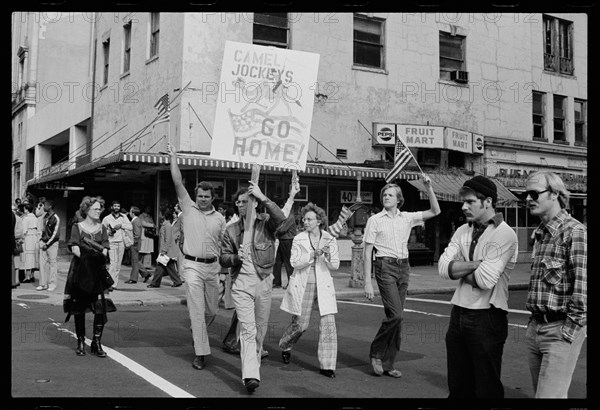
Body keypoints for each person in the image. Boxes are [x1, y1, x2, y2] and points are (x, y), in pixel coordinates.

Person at [437, 175, 518, 398]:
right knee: (458, 387)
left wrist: (459, 268)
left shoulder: (504, 234)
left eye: (470, 202)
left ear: (488, 201)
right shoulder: (462, 230)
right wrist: (476, 264)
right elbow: (443, 268)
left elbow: (485, 280)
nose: (464, 207)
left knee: (486, 388)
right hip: (459, 312)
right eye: (463, 202)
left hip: (488, 316)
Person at [363, 174, 440, 378]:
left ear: (399, 199)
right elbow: (367, 251)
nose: (387, 197)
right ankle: (376, 353)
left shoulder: (407, 217)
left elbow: (435, 210)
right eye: (384, 194)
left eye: (391, 195)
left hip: (403, 267)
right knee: (396, 315)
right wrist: (367, 282)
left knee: (395, 317)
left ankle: (388, 363)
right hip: (384, 266)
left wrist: (428, 187)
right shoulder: (374, 220)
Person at [523, 171, 586, 398]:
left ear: (555, 195)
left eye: (534, 193)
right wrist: (533, 328)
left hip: (559, 331)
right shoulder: (540, 234)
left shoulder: (574, 231)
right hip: (535, 329)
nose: (528, 199)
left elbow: (583, 290)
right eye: (525, 194)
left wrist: (567, 334)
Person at [219, 182, 286, 393]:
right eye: (237, 202)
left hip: (264, 280)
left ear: (254, 204)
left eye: (245, 201)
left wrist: (263, 197)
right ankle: (250, 376)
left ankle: (253, 364)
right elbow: (223, 257)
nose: (240, 205)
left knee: (259, 331)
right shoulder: (230, 230)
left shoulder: (266, 223)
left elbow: (283, 221)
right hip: (241, 284)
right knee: (248, 329)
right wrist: (236, 257)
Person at [168, 143, 226, 371]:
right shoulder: (188, 207)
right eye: (200, 196)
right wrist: (173, 156)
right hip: (191, 266)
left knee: (212, 310)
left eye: (206, 196)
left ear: (212, 198)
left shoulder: (220, 219)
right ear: (195, 196)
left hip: (212, 268)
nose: (202, 199)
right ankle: (201, 353)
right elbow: (177, 181)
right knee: (197, 310)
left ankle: (198, 326)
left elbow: (225, 244)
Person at [279, 202, 340, 378]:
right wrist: (313, 254)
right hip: (304, 285)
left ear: (319, 221)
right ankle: (285, 344)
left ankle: (327, 365)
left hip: (324, 287)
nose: (305, 222)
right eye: (304, 219)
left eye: (309, 219)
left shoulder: (330, 238)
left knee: (328, 325)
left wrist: (327, 255)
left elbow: (335, 265)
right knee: (301, 325)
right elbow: (294, 262)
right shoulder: (299, 238)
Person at [63, 196, 115, 357]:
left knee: (100, 308)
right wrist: (89, 257)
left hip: (98, 271)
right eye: (96, 209)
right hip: (81, 270)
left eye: (100, 209)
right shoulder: (77, 227)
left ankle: (96, 342)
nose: (99, 211)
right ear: (87, 210)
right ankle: (80, 341)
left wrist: (97, 256)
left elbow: (106, 248)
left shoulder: (102, 228)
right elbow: (74, 247)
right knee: (79, 308)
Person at [147, 206, 183, 288]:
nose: (159, 215)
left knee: (160, 267)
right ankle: (177, 281)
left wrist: (164, 250)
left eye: (160, 214)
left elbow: (168, 239)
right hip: (167, 251)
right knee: (170, 266)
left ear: (163, 216)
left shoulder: (167, 225)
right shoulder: (165, 225)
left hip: (167, 251)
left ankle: (155, 283)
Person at [102, 200, 132, 290]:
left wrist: (121, 225)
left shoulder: (123, 217)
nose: (116, 208)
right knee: (113, 264)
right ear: (112, 207)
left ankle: (114, 284)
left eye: (118, 206)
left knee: (118, 265)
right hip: (112, 242)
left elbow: (130, 227)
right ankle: (109, 284)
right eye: (115, 206)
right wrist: (109, 232)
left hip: (121, 243)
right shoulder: (107, 218)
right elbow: (102, 231)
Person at [273, 196, 297, 289]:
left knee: (288, 262)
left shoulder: (289, 217)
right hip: (283, 240)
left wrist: (275, 230)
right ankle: (277, 282)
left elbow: (282, 229)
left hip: (288, 240)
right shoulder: (285, 216)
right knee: (277, 262)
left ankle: (291, 283)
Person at [37, 199, 60, 292]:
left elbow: (56, 234)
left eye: (45, 205)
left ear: (50, 206)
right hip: (44, 242)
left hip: (52, 244)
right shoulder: (45, 217)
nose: (43, 207)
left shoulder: (56, 218)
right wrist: (41, 241)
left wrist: (47, 244)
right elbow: (43, 230)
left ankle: (52, 284)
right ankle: (43, 284)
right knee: (42, 264)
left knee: (52, 264)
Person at [125, 206, 152, 284]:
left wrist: (132, 243)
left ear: (133, 213)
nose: (129, 213)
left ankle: (133, 279)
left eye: (130, 211)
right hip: (135, 243)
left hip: (134, 244)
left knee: (134, 262)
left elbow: (136, 234)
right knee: (136, 261)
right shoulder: (136, 220)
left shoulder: (136, 221)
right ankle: (146, 274)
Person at [20, 203, 39, 284]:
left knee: (27, 257)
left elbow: (24, 231)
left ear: (26, 209)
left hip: (28, 238)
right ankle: (32, 275)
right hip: (35, 238)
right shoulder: (36, 218)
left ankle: (27, 276)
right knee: (34, 257)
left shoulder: (26, 219)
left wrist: (21, 239)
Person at [139, 206, 156, 277]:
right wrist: (152, 225)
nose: (149, 209)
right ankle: (142, 264)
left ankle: (147, 264)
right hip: (144, 234)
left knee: (148, 251)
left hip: (149, 235)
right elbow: (143, 223)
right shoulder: (141, 216)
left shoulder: (150, 216)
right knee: (142, 250)